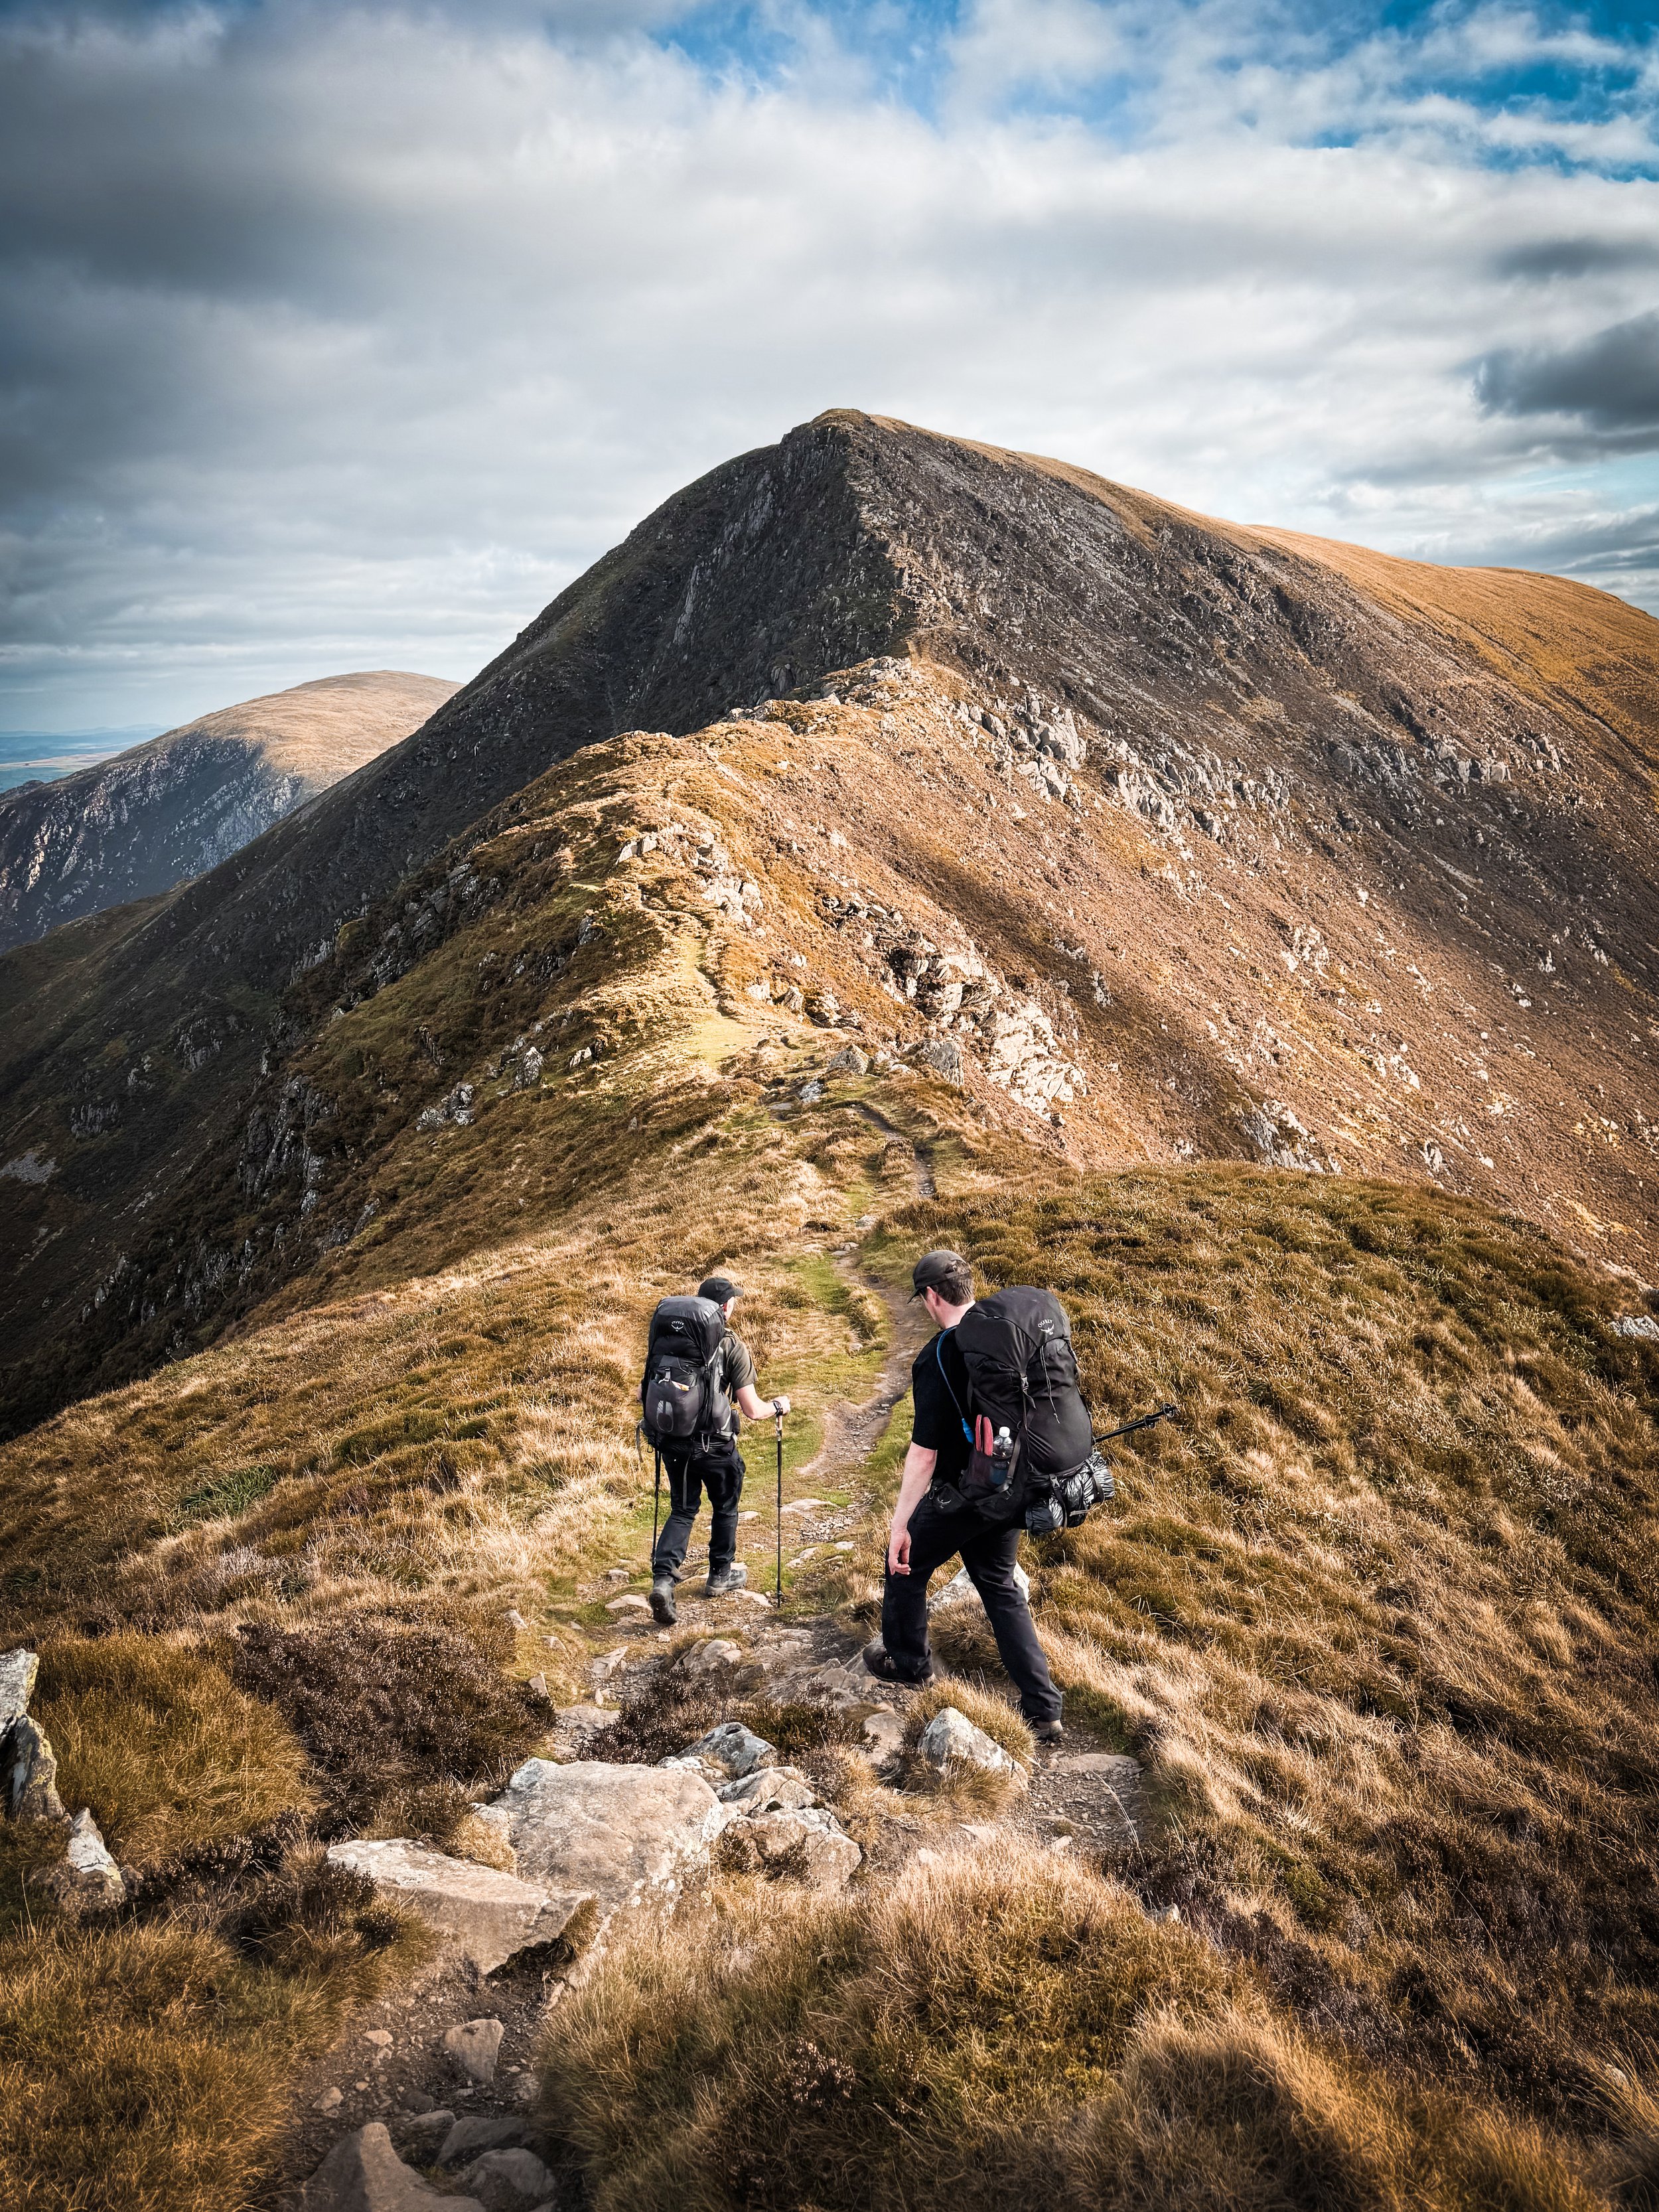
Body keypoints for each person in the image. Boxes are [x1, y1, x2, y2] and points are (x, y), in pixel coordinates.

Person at [865, 1248, 1064, 1741]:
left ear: (932, 1296)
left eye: (923, 1299)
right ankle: (1043, 1708)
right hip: (1012, 1487)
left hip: (966, 1494)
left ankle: (910, 1662)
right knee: (999, 1586)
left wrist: (899, 1526)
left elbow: (924, 1456)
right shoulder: (1008, 1337)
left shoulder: (938, 1354)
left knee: (904, 1564)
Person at [649, 1274, 788, 1625]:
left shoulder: (669, 1343)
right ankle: (720, 1575)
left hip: (674, 1443)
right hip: (715, 1445)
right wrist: (780, 1405)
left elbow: (643, 1395)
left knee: (682, 1509)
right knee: (725, 1507)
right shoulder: (731, 1345)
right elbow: (753, 1410)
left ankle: (663, 1581)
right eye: (733, 1302)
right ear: (725, 1307)